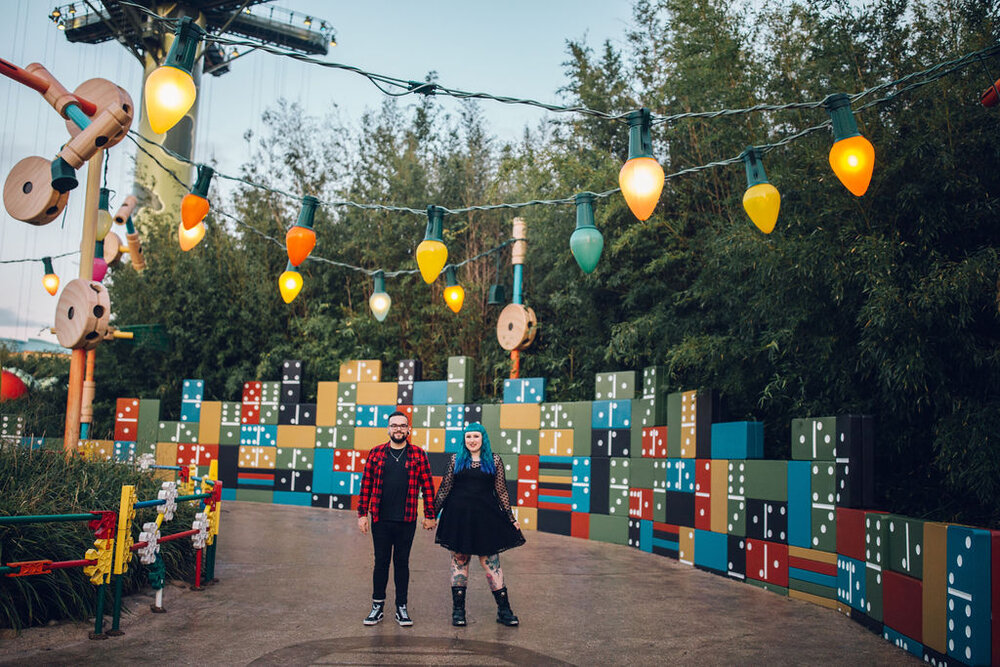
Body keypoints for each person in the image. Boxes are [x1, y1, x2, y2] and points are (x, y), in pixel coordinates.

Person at [434, 422, 525, 627]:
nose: (472, 440)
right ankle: (458, 612)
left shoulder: (494, 460)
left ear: (483, 438)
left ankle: (504, 610)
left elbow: (501, 492)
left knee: (491, 562)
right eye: (468, 437)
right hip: (459, 517)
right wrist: (432, 513)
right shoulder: (456, 460)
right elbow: (445, 488)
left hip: (486, 518)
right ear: (464, 440)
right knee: (460, 559)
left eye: (476, 436)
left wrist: (511, 518)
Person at [357, 411, 436, 627]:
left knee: (402, 563)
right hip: (380, 519)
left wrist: (430, 514)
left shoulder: (419, 455)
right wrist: (362, 514)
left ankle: (402, 607)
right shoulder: (376, 454)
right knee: (381, 562)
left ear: (408, 429)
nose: (398, 429)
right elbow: (366, 486)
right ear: (388, 429)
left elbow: (428, 487)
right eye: (394, 425)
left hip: (407, 519)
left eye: (402, 425)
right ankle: (377, 607)